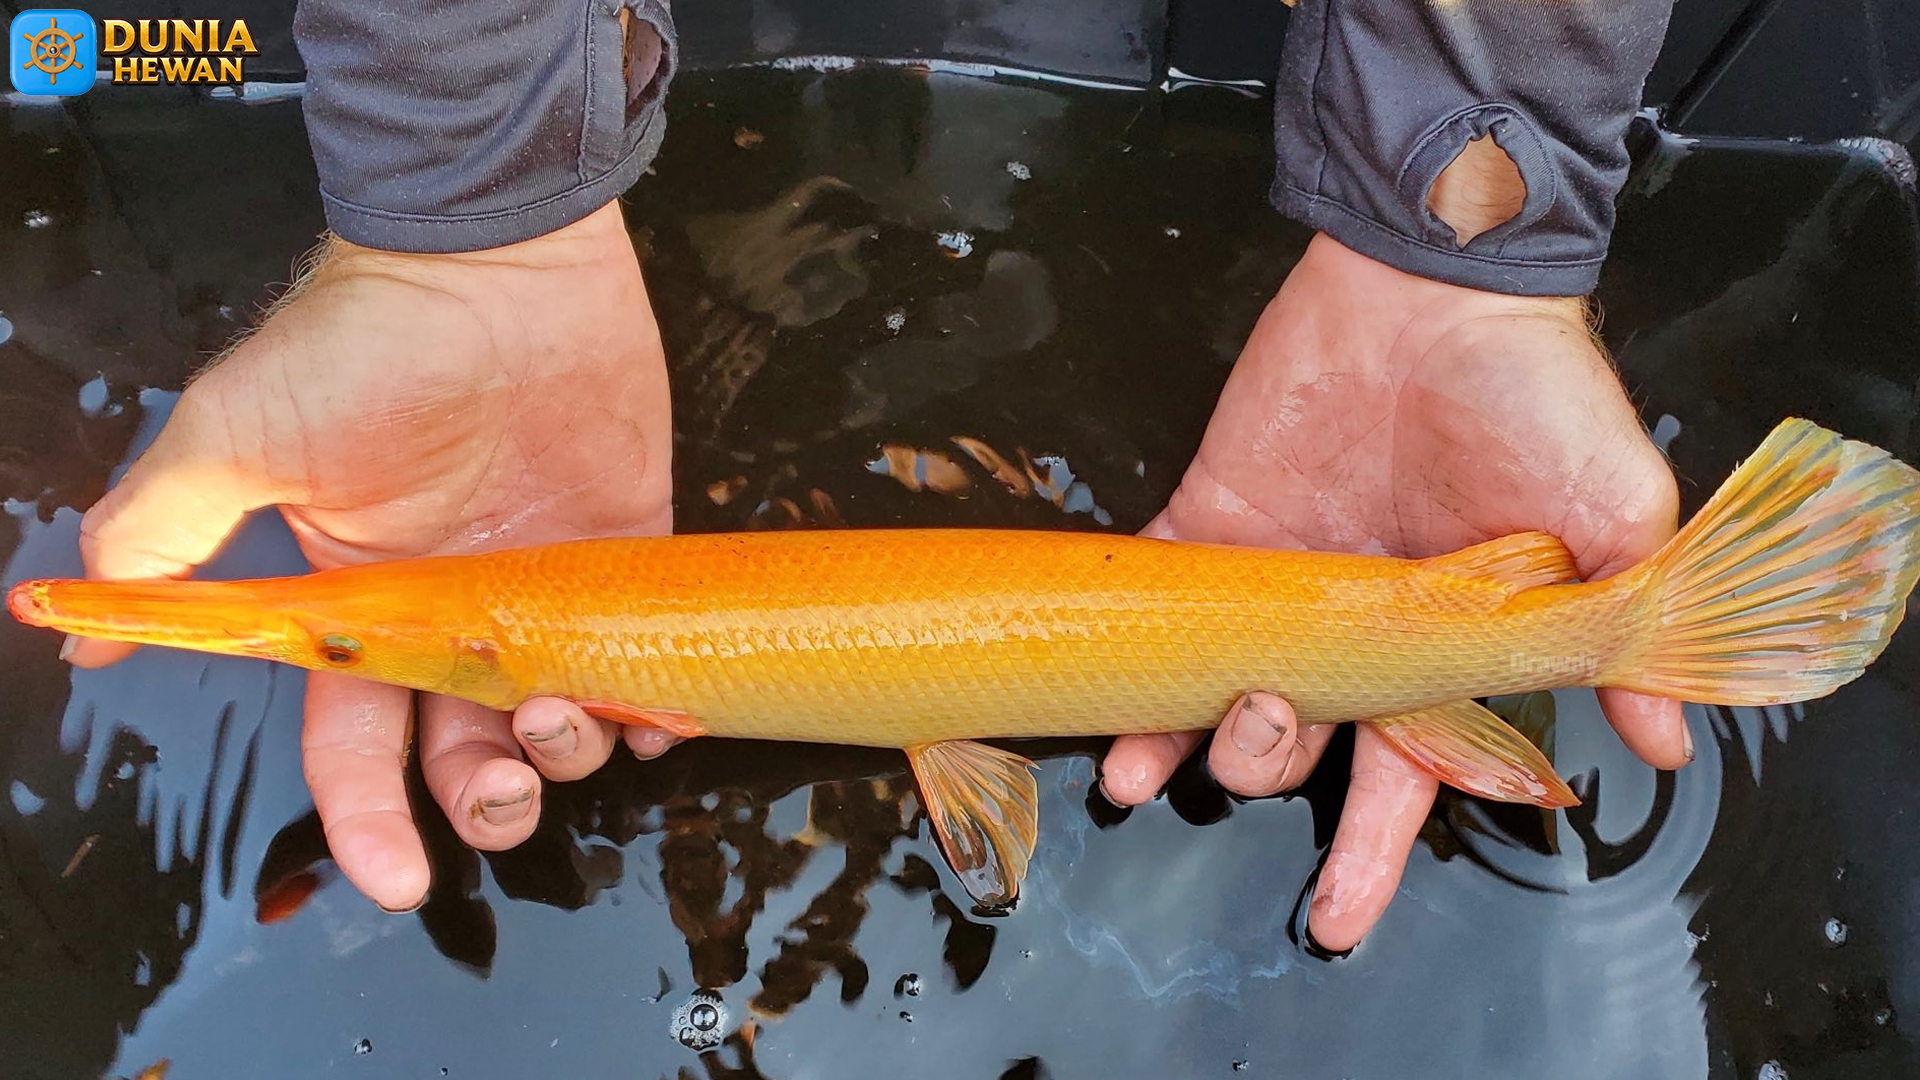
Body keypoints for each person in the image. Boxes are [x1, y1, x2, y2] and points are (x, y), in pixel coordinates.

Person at [64, 0, 1689, 952]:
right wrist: (1475, 225)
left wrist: (1467, 255)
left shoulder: (520, 643)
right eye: (344, 630)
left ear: (491, 645)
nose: (321, 627)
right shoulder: (514, 627)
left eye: (346, 632)